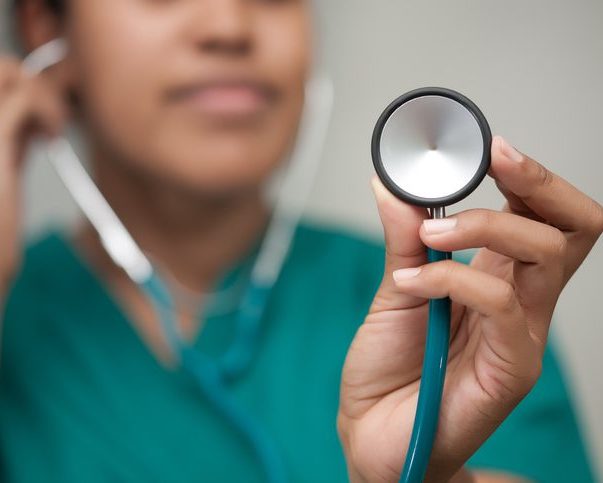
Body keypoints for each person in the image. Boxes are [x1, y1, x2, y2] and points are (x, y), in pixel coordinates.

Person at [0, 1, 601, 482]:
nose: (230, 25)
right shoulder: (13, 312)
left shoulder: (473, 312)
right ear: (46, 28)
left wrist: (425, 475)